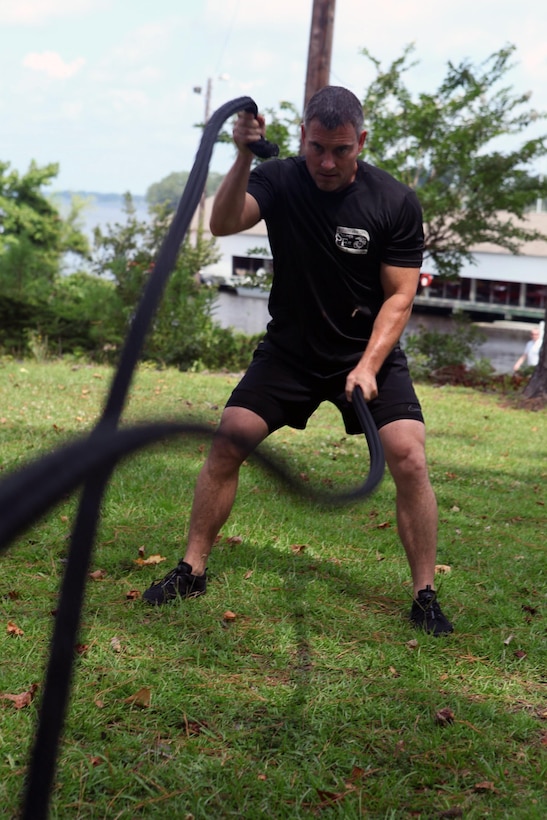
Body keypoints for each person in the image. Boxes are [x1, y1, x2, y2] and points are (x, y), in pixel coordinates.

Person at [143, 86, 453, 636]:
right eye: (316, 148)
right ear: (303, 136)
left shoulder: (394, 200)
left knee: (409, 455)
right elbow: (223, 222)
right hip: (290, 352)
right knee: (228, 440)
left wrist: (367, 365)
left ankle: (424, 593)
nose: (327, 163)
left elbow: (400, 297)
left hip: (365, 354)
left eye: (340, 150)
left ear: (361, 140)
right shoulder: (281, 177)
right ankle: (192, 569)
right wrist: (241, 154)